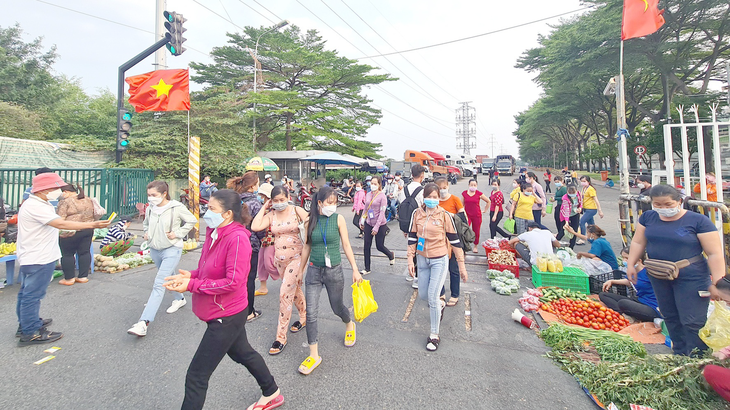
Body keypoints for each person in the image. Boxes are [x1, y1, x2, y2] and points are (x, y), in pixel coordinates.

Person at [162, 189, 283, 410]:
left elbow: (234, 282)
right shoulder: (214, 231)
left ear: (227, 214)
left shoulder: (237, 239)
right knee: (243, 353)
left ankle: (271, 391)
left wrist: (191, 285)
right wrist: (192, 275)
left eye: (212, 209)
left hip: (227, 315)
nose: (207, 213)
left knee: (196, 376)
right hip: (221, 311)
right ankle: (272, 392)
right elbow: (209, 269)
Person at [627, 185, 725, 356]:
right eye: (658, 204)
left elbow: (714, 253)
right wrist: (631, 264)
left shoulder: (698, 221)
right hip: (659, 275)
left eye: (668, 204)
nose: (663, 208)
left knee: (692, 321)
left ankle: (697, 358)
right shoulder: (648, 217)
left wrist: (718, 283)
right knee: (670, 317)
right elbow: (638, 242)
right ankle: (679, 355)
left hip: (691, 277)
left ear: (679, 201)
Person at [16, 172, 109, 346]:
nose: (59, 190)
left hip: (33, 254)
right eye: (56, 187)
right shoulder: (37, 206)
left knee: (26, 293)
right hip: (39, 256)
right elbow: (60, 224)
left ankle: (27, 324)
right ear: (45, 189)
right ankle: (31, 332)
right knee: (32, 295)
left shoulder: (34, 203)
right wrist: (92, 224)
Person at [297, 187, 363, 375]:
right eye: (329, 203)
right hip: (314, 272)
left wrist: (355, 270)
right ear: (319, 203)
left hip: (334, 270)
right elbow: (306, 246)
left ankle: (349, 324)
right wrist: (300, 271)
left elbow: (347, 245)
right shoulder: (310, 220)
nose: (332, 206)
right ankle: (313, 354)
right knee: (311, 313)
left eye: (335, 203)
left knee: (337, 307)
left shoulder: (338, 219)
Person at [127, 181, 197, 337]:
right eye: (149, 195)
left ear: (164, 194)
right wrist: (147, 233)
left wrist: (178, 233)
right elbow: (146, 223)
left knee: (159, 284)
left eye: (154, 195)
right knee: (169, 275)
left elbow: (192, 220)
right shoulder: (151, 208)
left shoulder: (176, 207)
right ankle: (179, 299)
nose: (151, 198)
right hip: (155, 249)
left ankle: (143, 322)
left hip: (172, 249)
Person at [407, 183, 468, 351]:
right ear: (424, 197)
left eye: (435, 197)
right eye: (429, 197)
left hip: (439, 260)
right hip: (422, 260)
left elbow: (455, 241)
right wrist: (410, 260)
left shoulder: (444, 215)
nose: (432, 200)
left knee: (433, 297)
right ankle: (440, 305)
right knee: (423, 296)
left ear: (438, 199)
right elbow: (412, 237)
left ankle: (434, 335)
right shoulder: (417, 214)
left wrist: (461, 266)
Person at [250, 186, 309, 355]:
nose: (279, 203)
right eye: (275, 201)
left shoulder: (297, 210)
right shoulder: (271, 214)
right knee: (294, 289)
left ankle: (280, 337)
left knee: (284, 293)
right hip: (280, 260)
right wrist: (265, 206)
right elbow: (255, 226)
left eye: (282, 200)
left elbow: (312, 225)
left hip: (297, 258)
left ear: (288, 197)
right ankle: (304, 316)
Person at [228, 171, 266, 322]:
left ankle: (235, 308)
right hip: (251, 244)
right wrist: (265, 240)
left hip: (233, 242)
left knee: (237, 277)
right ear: (253, 186)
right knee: (250, 278)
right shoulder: (255, 203)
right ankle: (249, 311)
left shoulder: (233, 201)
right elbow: (259, 227)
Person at [598, 247, 660, 322]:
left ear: (639, 260)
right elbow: (629, 281)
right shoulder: (631, 271)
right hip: (640, 300)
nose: (624, 261)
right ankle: (624, 313)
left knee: (623, 303)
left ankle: (625, 313)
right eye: (623, 258)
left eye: (627, 258)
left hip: (652, 307)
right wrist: (612, 281)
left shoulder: (649, 272)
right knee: (603, 295)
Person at [56, 184, 96, 286]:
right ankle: (83, 277)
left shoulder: (65, 202)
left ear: (66, 192)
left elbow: (60, 218)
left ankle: (69, 278)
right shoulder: (87, 199)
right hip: (88, 228)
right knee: (84, 252)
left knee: (67, 254)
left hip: (71, 230)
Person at [435, 176, 466, 306]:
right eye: (440, 188)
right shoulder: (434, 200)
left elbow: (463, 218)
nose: (442, 190)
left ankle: (455, 294)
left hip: (453, 239)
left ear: (448, 186)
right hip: (438, 240)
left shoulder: (455, 199)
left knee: (453, 268)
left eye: (444, 188)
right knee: (439, 269)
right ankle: (440, 293)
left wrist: (451, 215)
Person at [360, 175, 394, 275]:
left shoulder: (382, 196)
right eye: (372, 183)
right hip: (368, 223)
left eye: (375, 183)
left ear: (379, 185)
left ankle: (390, 255)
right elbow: (366, 209)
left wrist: (376, 227)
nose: (373, 185)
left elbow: (382, 213)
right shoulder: (368, 194)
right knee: (366, 245)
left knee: (379, 246)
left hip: (380, 224)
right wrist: (362, 221)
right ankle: (367, 268)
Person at [400, 164, 426, 288]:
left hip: (406, 224)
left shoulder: (404, 189)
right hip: (419, 226)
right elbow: (424, 208)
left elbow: (401, 207)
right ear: (422, 176)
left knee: (411, 249)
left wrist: (404, 227)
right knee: (419, 250)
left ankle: (411, 274)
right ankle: (417, 277)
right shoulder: (422, 191)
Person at [254, 183, 279, 297]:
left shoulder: (274, 206)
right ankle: (263, 287)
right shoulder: (262, 205)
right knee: (261, 264)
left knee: (269, 263)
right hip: (263, 238)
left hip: (272, 238)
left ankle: (287, 277)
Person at [462, 179, 489, 253]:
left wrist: (485, 210)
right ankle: (465, 245)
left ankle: (475, 246)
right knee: (464, 230)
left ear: (477, 186)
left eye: (474, 185)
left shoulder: (479, 194)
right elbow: (462, 205)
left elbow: (488, 201)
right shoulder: (464, 193)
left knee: (476, 231)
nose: (473, 186)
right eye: (471, 185)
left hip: (477, 215)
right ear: (469, 185)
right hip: (467, 215)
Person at [578, 176, 604, 244]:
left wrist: (600, 211)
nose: (582, 183)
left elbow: (596, 200)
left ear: (588, 182)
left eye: (584, 181)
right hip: (586, 208)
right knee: (591, 224)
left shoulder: (591, 189)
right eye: (581, 181)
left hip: (591, 209)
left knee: (582, 222)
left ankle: (582, 238)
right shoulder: (584, 188)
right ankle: (595, 237)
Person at [559, 184, 582, 249]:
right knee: (563, 231)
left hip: (575, 214)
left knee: (574, 231)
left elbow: (581, 202)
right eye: (570, 193)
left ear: (576, 191)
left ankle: (571, 247)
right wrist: (566, 222)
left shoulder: (578, 194)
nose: (572, 195)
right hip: (565, 215)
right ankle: (555, 243)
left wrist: (580, 208)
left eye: (573, 193)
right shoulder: (565, 198)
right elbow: (566, 210)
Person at [551, 176, 567, 241]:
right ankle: (559, 232)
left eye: (558, 182)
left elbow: (565, 197)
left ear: (562, 181)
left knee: (561, 220)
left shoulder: (564, 188)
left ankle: (560, 234)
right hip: (558, 205)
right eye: (555, 182)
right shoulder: (558, 188)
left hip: (563, 205)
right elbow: (556, 195)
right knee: (557, 219)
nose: (557, 183)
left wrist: (556, 198)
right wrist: (554, 198)